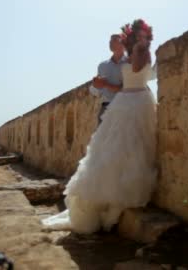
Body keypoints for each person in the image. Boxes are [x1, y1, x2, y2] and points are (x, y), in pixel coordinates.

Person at [42, 19, 157, 233]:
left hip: (127, 101)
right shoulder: (106, 64)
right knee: (108, 150)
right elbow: (98, 90)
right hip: (115, 104)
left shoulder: (134, 56)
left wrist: (139, 49)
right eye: (112, 41)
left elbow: (141, 72)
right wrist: (96, 86)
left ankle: (116, 196)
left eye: (118, 40)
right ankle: (107, 197)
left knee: (128, 147)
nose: (115, 43)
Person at [89, 34, 127, 125]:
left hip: (124, 108)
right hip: (105, 109)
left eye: (114, 40)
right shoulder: (102, 66)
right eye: (110, 40)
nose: (110, 42)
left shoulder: (129, 64)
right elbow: (97, 90)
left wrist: (106, 85)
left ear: (123, 44)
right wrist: (95, 85)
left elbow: (128, 88)